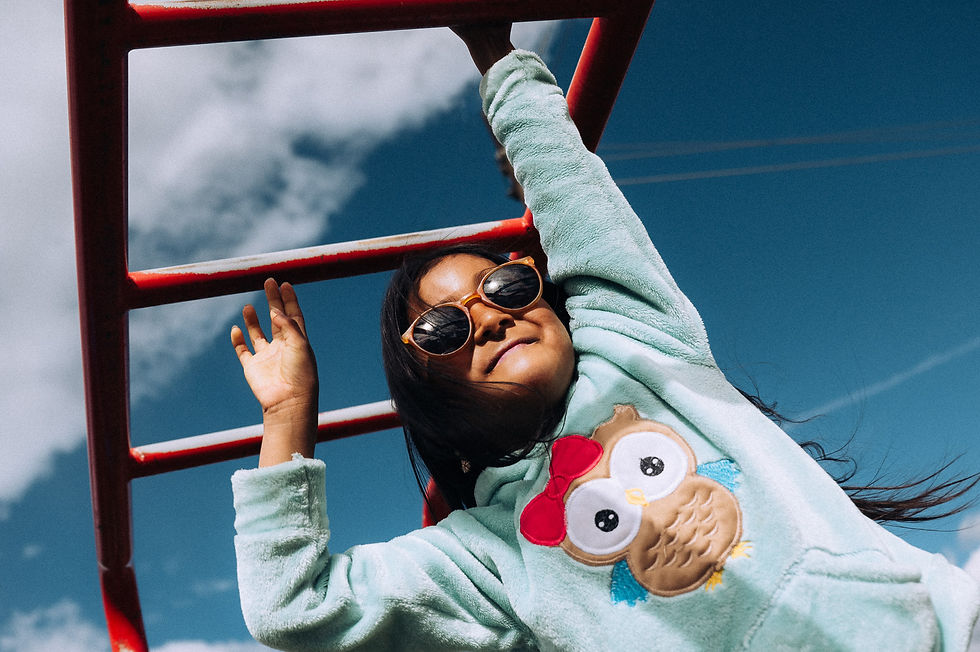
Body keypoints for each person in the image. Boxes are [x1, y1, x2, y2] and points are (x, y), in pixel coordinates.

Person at [229, 25, 979, 651]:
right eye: (444, 328)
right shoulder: (486, 557)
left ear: (551, 303)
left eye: (506, 286)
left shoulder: (639, 349)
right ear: (429, 396)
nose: (487, 317)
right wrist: (289, 414)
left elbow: (574, 196)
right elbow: (293, 607)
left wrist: (494, 56)